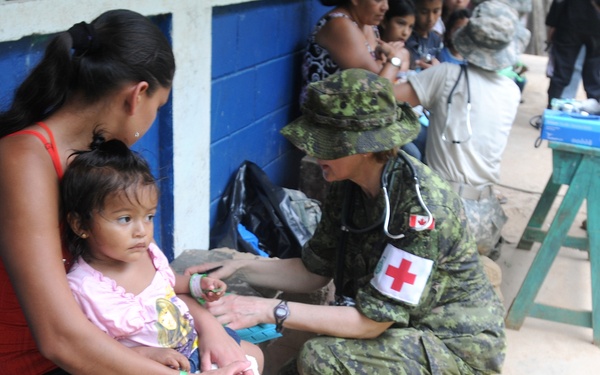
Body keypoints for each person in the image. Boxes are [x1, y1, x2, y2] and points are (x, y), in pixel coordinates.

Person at [188, 69, 507, 374]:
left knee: (319, 359)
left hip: (451, 349)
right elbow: (314, 271)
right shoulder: (347, 185)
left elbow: (372, 322)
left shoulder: (422, 209)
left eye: (326, 143)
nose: (310, 150)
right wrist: (238, 267)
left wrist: (270, 310)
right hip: (401, 330)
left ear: (367, 148)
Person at [0, 9, 252, 375]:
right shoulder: (24, 159)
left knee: (245, 358)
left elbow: (150, 289)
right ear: (138, 96)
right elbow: (59, 339)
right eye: (159, 107)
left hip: (100, 344)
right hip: (38, 364)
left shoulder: (96, 163)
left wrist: (206, 324)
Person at [61, 139, 262, 375]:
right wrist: (143, 354)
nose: (142, 231)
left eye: (148, 217)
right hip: (158, 368)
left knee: (255, 356)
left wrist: (198, 284)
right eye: (125, 219)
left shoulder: (147, 255)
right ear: (80, 224)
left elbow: (170, 285)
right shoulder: (82, 290)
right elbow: (93, 352)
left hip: (194, 343)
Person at [394, 0, 530, 260]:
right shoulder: (511, 90)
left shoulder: (445, 75)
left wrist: (394, 58)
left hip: (441, 211)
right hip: (485, 216)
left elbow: (384, 99)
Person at [300, 0, 410, 105]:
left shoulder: (368, 24)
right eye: (378, 0)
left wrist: (386, 64)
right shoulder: (340, 25)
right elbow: (378, 92)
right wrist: (395, 59)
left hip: (355, 112)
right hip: (327, 118)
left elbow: (381, 76)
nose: (386, 7)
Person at [545, 0, 600, 108]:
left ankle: (553, 109)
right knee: (594, 74)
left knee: (562, 70)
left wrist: (552, 23)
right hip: (589, 24)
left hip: (570, 22)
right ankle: (597, 112)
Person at [405, 0, 444, 70]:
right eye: (424, 12)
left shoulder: (436, 40)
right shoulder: (406, 37)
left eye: (436, 11)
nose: (430, 19)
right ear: (415, 9)